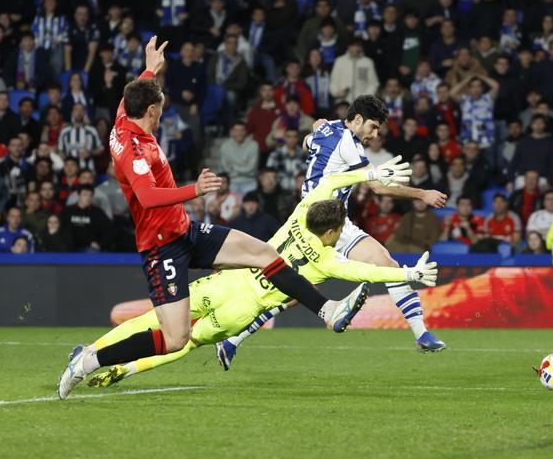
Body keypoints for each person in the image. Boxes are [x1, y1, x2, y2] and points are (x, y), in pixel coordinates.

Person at [57, 37, 375, 399]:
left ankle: (327, 310)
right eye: (159, 108)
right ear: (149, 111)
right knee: (176, 338)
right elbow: (146, 198)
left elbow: (138, 92)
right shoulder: (134, 149)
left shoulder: (123, 117)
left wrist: (150, 67)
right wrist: (195, 190)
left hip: (185, 231)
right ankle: (86, 362)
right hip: (162, 249)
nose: (162, 113)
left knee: (264, 255)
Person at [83, 165, 438, 387]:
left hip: (228, 280)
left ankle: (92, 352)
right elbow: (368, 271)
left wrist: (370, 173)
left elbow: (331, 181)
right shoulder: (327, 261)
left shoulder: (300, 215)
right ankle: (127, 371)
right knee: (183, 342)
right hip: (241, 310)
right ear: (332, 231)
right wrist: (410, 273)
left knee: (154, 320)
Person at [224, 95, 448, 359]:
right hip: (313, 228)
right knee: (289, 292)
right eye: (372, 127)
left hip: (336, 223)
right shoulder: (348, 143)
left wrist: (315, 130)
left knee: (387, 265)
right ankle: (232, 339)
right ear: (356, 119)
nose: (375, 135)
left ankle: (421, 333)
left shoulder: (327, 128)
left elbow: (309, 142)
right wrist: (422, 194)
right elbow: (377, 187)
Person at [60, 184, 112, 252]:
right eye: (85, 195)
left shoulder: (97, 212)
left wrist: (101, 244)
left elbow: (109, 229)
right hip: (69, 247)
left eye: (90, 195)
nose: (88, 198)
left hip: (89, 248)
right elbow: (61, 229)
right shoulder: (67, 211)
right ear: (78, 196)